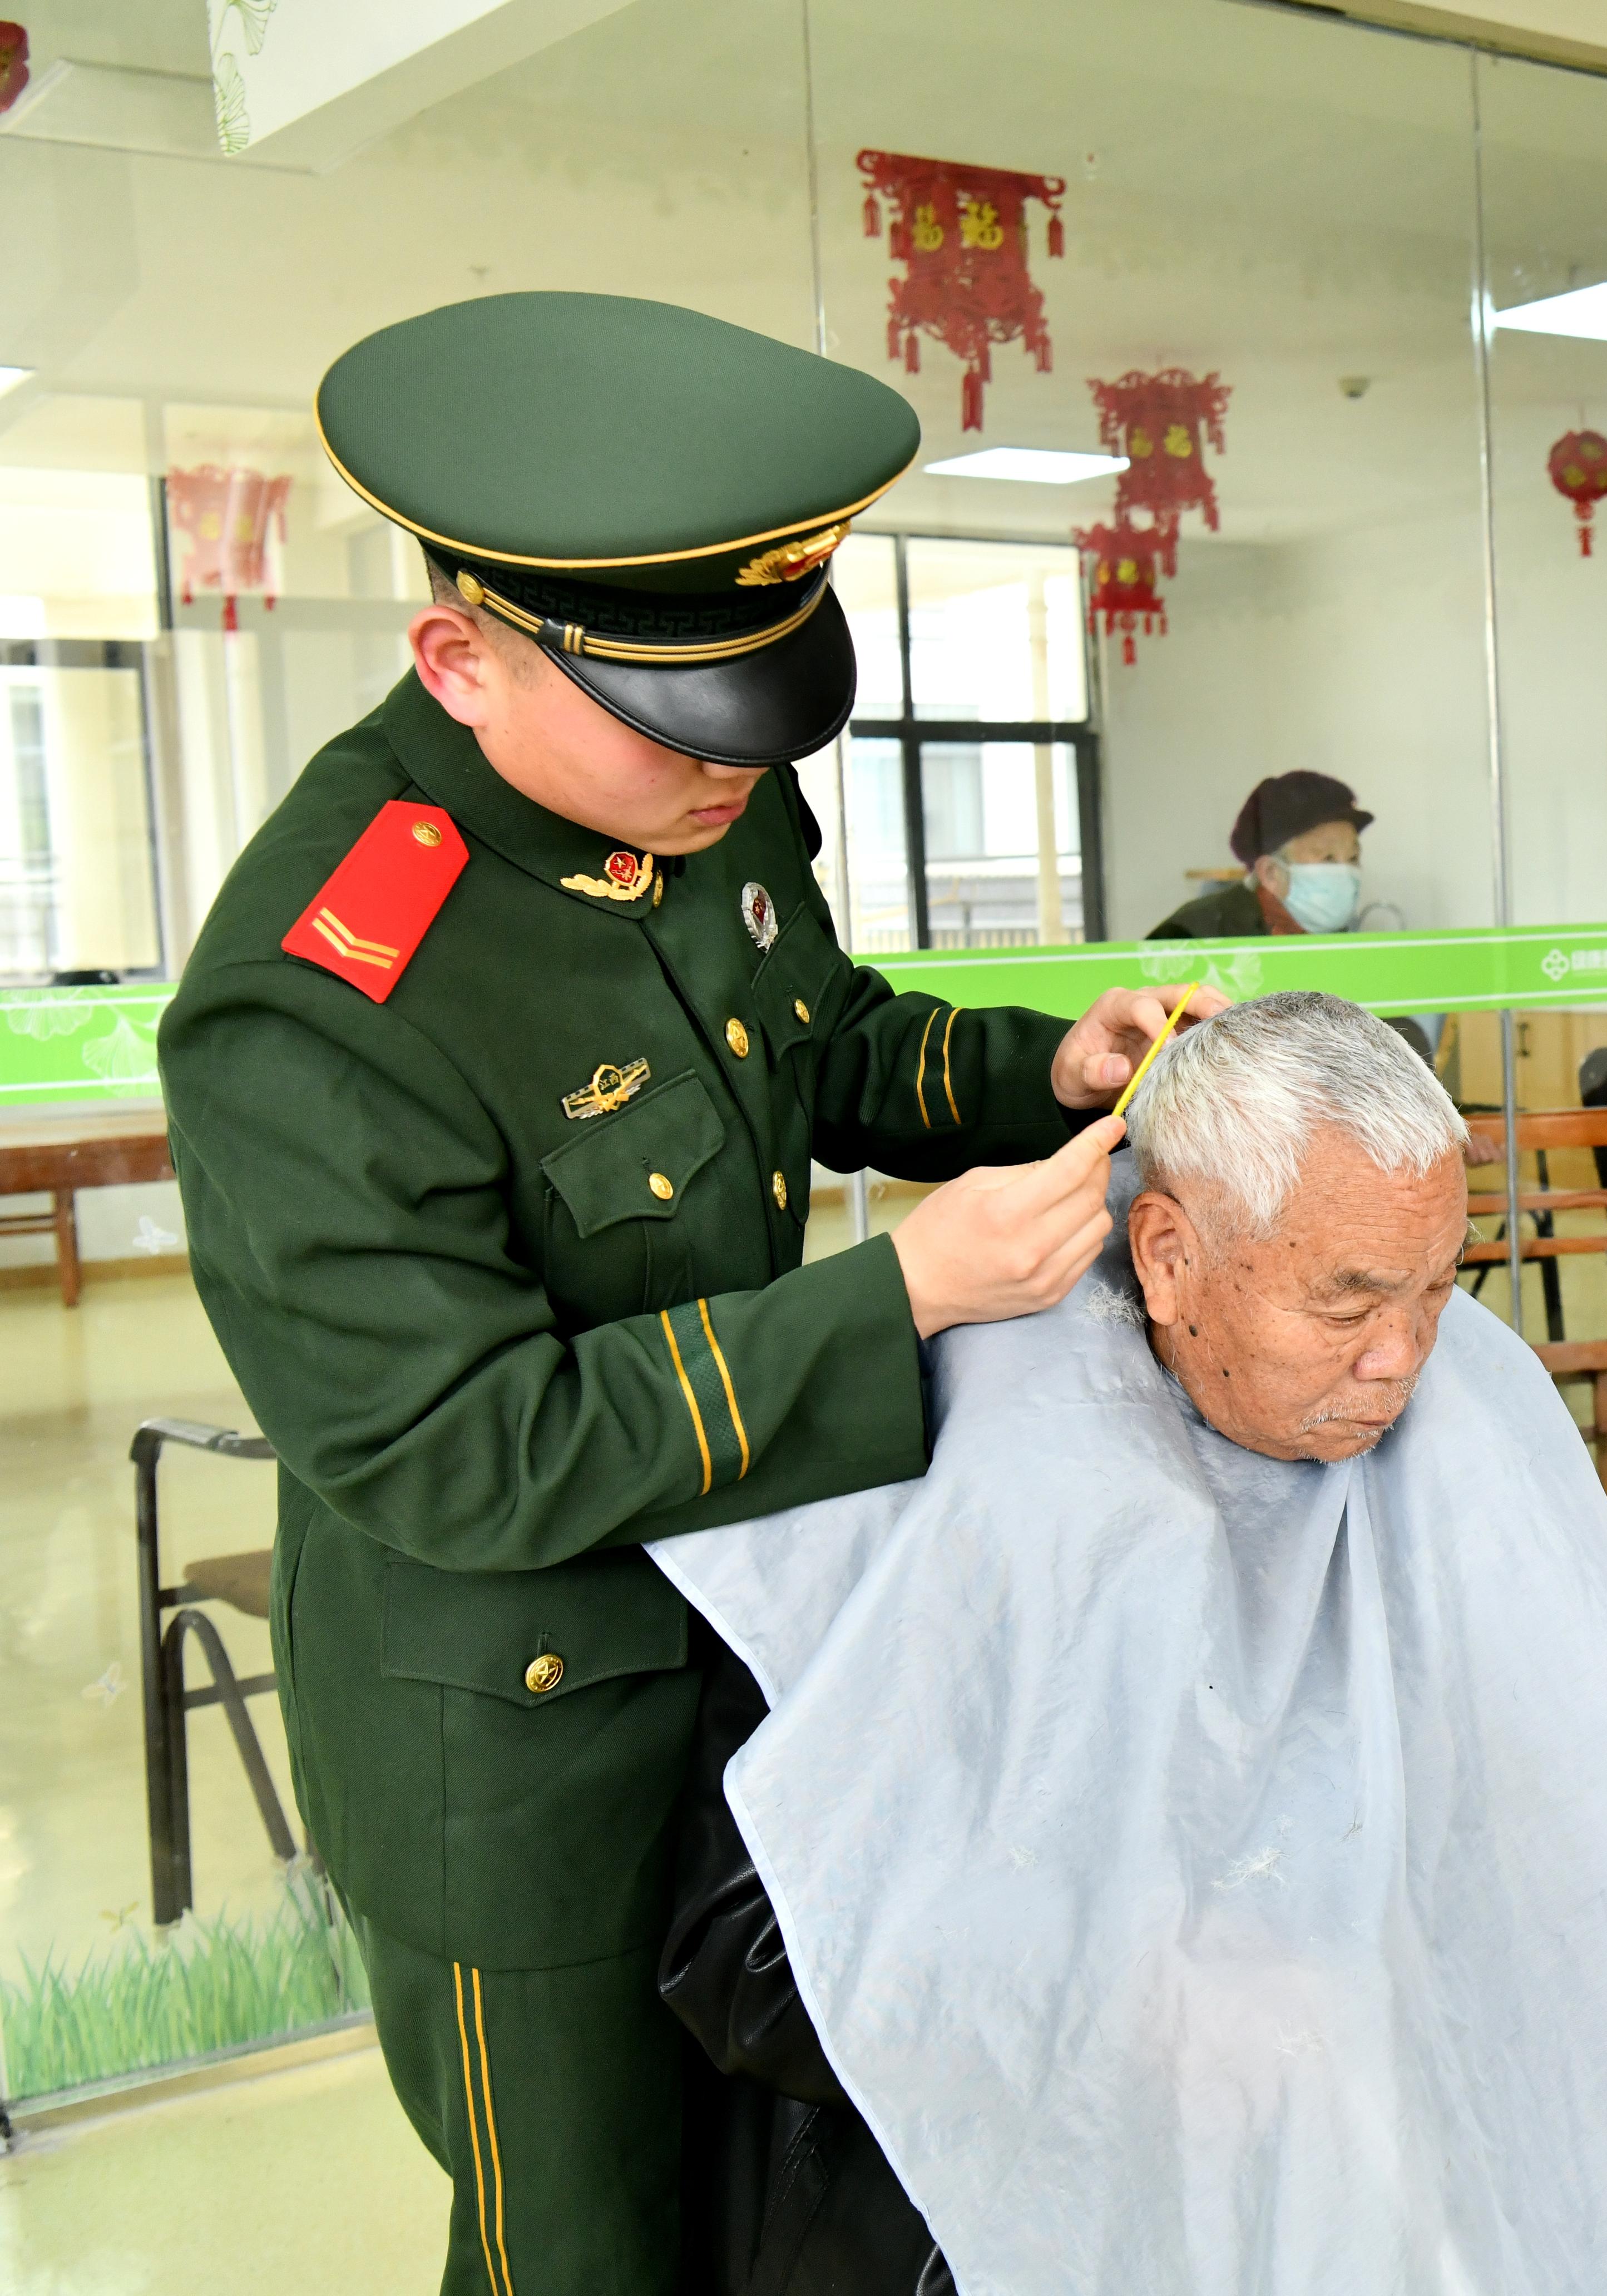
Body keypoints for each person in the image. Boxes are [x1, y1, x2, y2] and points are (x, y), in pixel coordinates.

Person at [156, 291, 1220, 2296]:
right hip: (525, 1754)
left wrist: (1042, 1073)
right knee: (587, 2251)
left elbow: (817, 1041)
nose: (734, 768)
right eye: (679, 722)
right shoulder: (321, 996)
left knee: (773, 2204)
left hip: (765, 1655)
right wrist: (898, 1298)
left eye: (758, 704)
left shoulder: (690, 797)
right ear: (460, 661)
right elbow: (461, 1451)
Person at [647, 992, 1607, 2295]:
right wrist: (1140, 2001)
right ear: (1168, 1257)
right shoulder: (962, 1462)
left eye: (1437, 1290)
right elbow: (738, 1956)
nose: (1401, 1359)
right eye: (1349, 1303)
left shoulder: (1458, 1425)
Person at [1153, 769, 1371, 938]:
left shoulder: (1341, 938)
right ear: (1271, 873)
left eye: (1353, 858)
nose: (1347, 875)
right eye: (1328, 859)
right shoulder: (1191, 935)